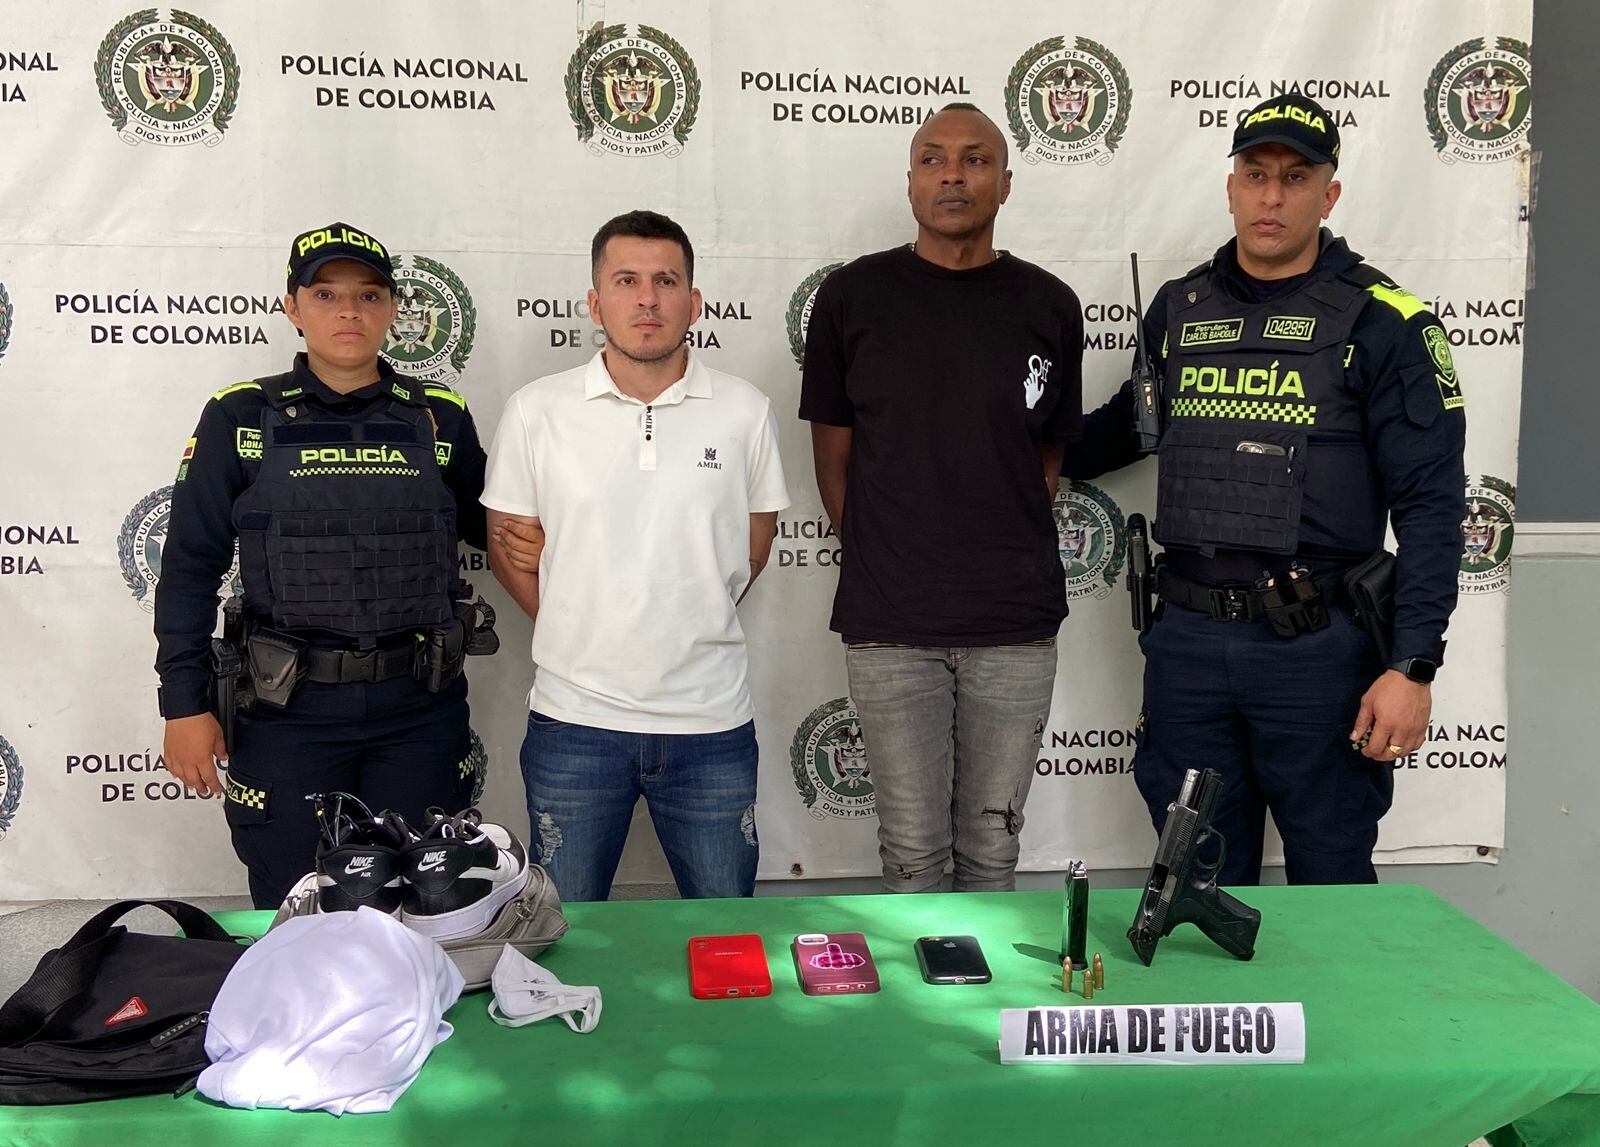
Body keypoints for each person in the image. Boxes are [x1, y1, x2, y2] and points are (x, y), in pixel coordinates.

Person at [1065, 94, 1467, 885]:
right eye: (1255, 175)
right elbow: (1122, 432)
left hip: (1318, 649)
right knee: (1194, 888)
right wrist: (988, 433)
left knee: (1331, 880)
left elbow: (1432, 508)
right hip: (1187, 643)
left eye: (1294, 177)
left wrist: (1414, 666)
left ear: (1329, 193)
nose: (1271, 197)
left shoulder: (1385, 321)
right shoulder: (1179, 309)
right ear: (1231, 187)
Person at [156, 222, 493, 909]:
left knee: (426, 913)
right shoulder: (240, 415)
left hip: (418, 709)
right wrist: (183, 704)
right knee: (296, 908)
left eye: (369, 295)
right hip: (288, 712)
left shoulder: (440, 418)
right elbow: (190, 565)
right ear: (292, 307)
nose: (349, 312)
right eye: (326, 294)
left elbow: (503, 530)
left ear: (393, 309)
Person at [799, 103, 1084, 894]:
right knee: (913, 858)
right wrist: (893, 562)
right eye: (933, 159)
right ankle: (920, 983)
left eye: (974, 159)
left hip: (1015, 624)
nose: (953, 175)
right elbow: (834, 464)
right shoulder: (852, 297)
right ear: (911, 181)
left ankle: (984, 986)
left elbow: (1044, 461)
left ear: (1005, 182)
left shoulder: (1050, 304)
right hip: (891, 628)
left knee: (992, 855)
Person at [482, 210, 790, 903]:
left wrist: (684, 612)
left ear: (694, 300)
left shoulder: (744, 411)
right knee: (564, 933)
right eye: (626, 281)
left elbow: (753, 546)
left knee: (724, 933)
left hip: (711, 725)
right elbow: (509, 550)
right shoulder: (536, 411)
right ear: (595, 303)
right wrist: (578, 623)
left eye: (665, 281)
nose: (647, 299)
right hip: (575, 723)